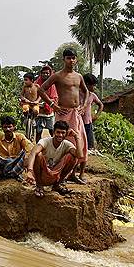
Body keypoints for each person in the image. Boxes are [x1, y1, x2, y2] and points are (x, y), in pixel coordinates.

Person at [38, 49, 89, 184]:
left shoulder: (79, 76)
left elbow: (86, 91)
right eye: (68, 58)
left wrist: (83, 106)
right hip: (63, 113)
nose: (71, 61)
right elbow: (41, 89)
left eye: (73, 58)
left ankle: (73, 173)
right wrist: (52, 104)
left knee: (80, 142)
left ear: (76, 59)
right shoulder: (58, 76)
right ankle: (59, 174)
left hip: (76, 113)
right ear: (63, 59)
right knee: (63, 143)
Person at [24, 120, 82, 198]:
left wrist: (76, 137)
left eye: (63, 133)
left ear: (66, 134)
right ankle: (39, 185)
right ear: (54, 132)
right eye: (58, 132)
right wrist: (30, 171)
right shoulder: (45, 141)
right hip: (42, 175)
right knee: (38, 155)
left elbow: (79, 155)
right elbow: (33, 153)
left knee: (73, 157)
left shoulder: (67, 144)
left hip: (56, 174)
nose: (60, 135)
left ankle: (57, 185)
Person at [34, 64, 59, 142]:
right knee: (38, 131)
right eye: (43, 73)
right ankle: (38, 148)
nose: (45, 74)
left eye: (47, 73)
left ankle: (55, 146)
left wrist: (49, 102)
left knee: (52, 130)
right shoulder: (36, 83)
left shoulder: (53, 85)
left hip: (49, 112)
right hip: (39, 112)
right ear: (41, 74)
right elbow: (33, 95)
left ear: (50, 74)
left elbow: (55, 97)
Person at [81, 73, 103, 154]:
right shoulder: (77, 94)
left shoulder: (92, 95)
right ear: (86, 84)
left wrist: (96, 116)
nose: (95, 87)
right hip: (78, 122)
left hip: (88, 123)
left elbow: (101, 105)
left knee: (90, 145)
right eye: (93, 85)